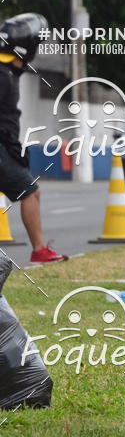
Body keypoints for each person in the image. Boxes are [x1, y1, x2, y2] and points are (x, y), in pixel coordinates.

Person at [0, 20, 67, 264]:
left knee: (32, 192)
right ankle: (39, 249)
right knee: (30, 192)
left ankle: (40, 248)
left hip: (5, 146)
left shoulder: (8, 71)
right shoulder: (2, 74)